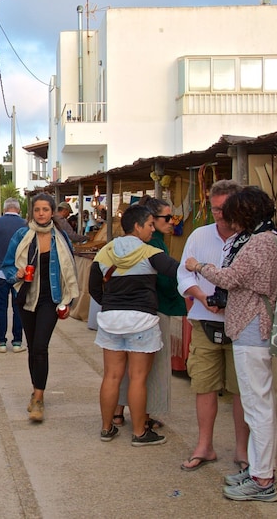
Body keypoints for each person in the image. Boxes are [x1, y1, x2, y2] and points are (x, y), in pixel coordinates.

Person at [184, 186, 277, 502]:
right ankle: (256, 470)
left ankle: (263, 480)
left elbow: (229, 278)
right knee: (255, 405)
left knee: (257, 407)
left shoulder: (261, 243)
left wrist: (198, 266)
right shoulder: (267, 239)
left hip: (252, 331)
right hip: (249, 330)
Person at [89, 205, 179, 447]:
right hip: (142, 321)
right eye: (150, 225)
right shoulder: (150, 253)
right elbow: (175, 272)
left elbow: (94, 288)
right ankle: (140, 432)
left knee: (111, 376)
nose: (152, 229)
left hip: (111, 321)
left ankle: (107, 428)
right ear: (138, 226)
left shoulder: (105, 252)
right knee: (138, 378)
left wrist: (110, 303)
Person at [176, 180, 250, 472]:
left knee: (241, 389)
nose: (218, 214)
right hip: (205, 320)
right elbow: (184, 275)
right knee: (204, 385)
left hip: (241, 323)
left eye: (224, 209)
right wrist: (202, 298)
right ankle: (204, 445)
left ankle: (242, 449)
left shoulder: (250, 238)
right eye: (215, 208)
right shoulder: (199, 235)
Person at [2, 194, 80, 422]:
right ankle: (36, 388)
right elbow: (6, 264)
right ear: (31, 212)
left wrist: (68, 300)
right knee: (32, 346)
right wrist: (14, 273)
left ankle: (38, 398)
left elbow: (70, 268)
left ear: (52, 212)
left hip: (51, 298)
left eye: (45, 209)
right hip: (27, 298)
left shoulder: (61, 237)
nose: (41, 213)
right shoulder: (22, 235)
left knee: (40, 346)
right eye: (37, 210)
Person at [111, 197, 181, 433]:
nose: (172, 222)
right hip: (152, 310)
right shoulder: (154, 246)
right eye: (166, 218)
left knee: (121, 370)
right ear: (147, 222)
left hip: (123, 312)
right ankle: (143, 420)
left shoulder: (119, 246)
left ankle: (118, 413)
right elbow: (168, 277)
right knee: (145, 372)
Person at [0, 198, 27, 353]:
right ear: (19, 209)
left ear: (4, 208)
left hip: (0, 271)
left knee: (1, 307)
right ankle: (17, 342)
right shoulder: (25, 224)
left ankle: (1, 342)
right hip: (19, 273)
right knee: (18, 308)